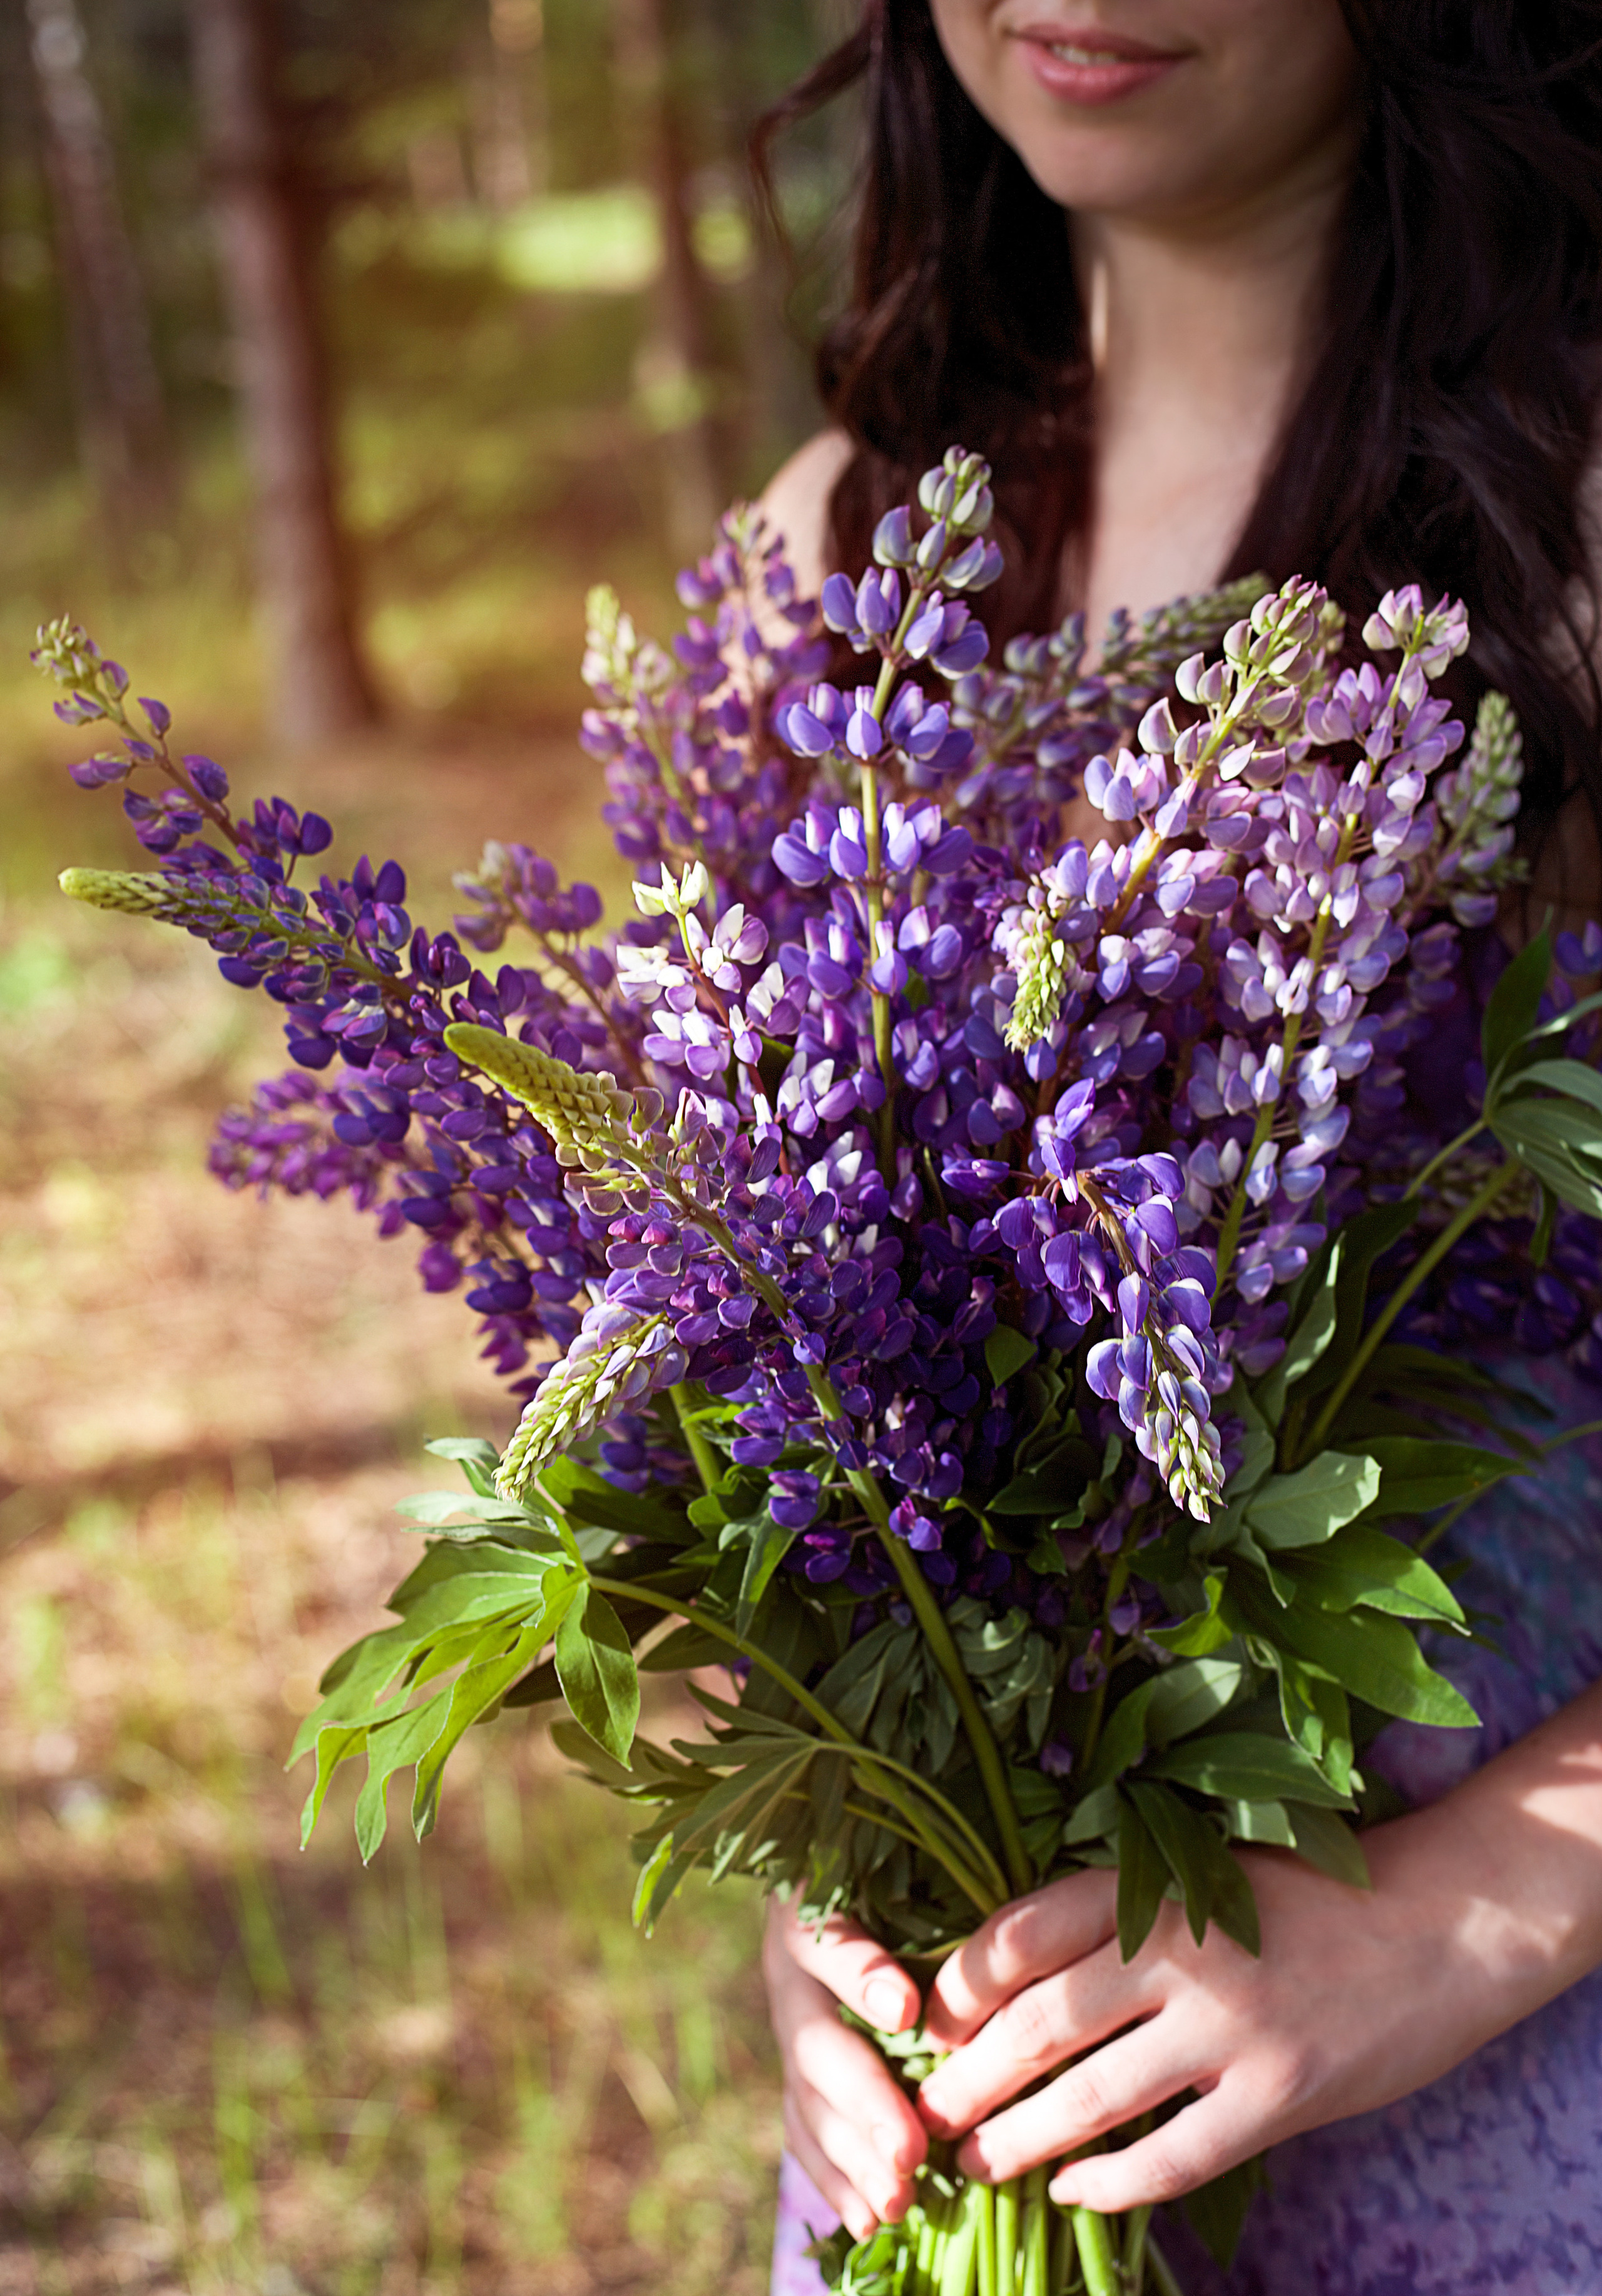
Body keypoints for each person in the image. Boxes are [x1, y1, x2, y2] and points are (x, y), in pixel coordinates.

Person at [752, 7, 1602, 2292]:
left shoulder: (1577, 535)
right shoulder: (835, 548)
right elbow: (741, 1394)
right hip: (984, 2107)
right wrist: (818, 1876)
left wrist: (1458, 1912)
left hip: (1520, 2099)